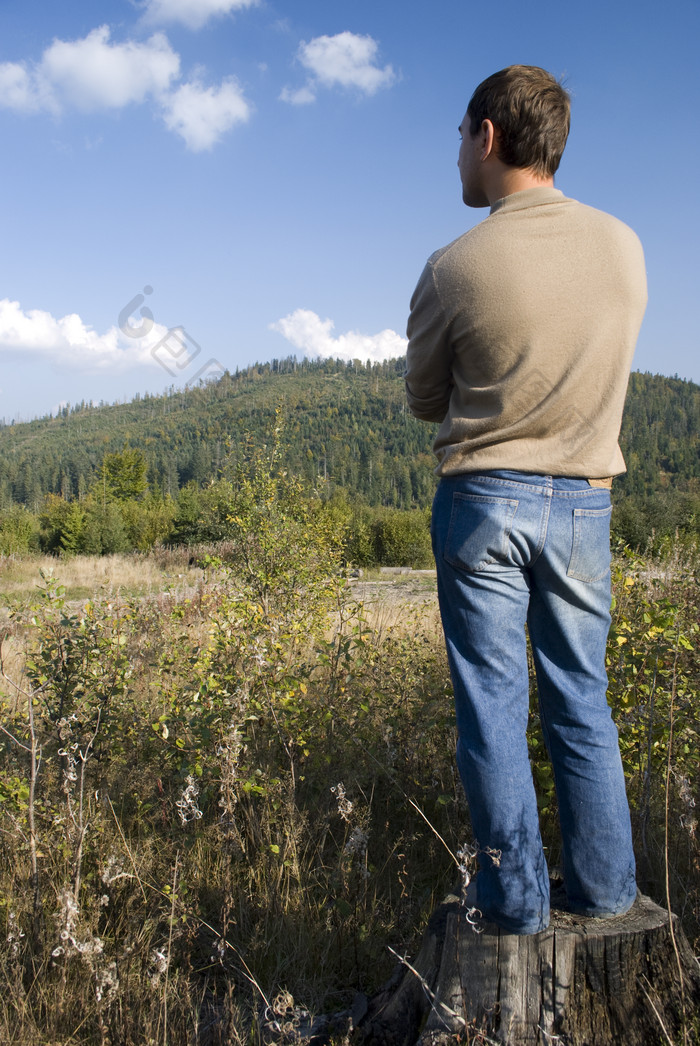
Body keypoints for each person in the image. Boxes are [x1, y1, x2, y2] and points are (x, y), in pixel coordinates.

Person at [405, 65, 647, 935]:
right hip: (586, 501)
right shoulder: (623, 244)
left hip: (483, 502)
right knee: (581, 696)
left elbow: (426, 400)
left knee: (495, 713)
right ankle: (610, 894)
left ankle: (514, 908)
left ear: (488, 137)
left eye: (460, 138)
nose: (458, 157)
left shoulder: (452, 266)